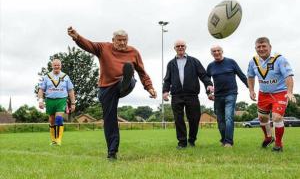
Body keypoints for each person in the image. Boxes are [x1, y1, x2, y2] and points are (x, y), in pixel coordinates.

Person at [67, 26, 157, 160]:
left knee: (130, 76)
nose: (122, 43)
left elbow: (142, 72)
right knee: (110, 120)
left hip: (123, 84)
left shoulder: (133, 52)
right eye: (119, 40)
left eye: (125, 40)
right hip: (106, 88)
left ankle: (126, 80)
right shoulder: (104, 48)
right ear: (113, 40)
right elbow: (89, 45)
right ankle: (112, 152)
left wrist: (149, 87)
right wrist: (77, 37)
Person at [247, 37, 296, 152]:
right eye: (259, 47)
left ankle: (278, 145)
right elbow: (250, 76)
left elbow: (288, 76)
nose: (261, 49)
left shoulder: (279, 59)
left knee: (277, 117)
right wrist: (251, 90)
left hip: (280, 93)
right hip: (263, 94)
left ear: (270, 47)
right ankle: (268, 138)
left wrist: (289, 92)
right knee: (262, 118)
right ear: (255, 48)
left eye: (264, 46)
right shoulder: (253, 61)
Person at [163, 40, 214, 149]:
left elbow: (203, 75)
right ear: (175, 48)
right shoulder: (171, 64)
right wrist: (165, 91)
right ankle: (182, 142)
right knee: (178, 119)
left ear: (185, 47)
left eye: (182, 46)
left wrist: (209, 85)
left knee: (194, 118)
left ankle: (191, 140)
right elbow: (167, 80)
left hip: (192, 95)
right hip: (176, 96)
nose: (180, 47)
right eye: (178, 46)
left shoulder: (194, 61)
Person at [207, 45, 248, 147]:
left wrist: (250, 88)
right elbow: (206, 81)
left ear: (222, 51)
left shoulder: (231, 62)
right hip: (217, 96)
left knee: (228, 117)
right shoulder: (210, 66)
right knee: (220, 119)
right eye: (214, 51)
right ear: (211, 53)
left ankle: (229, 142)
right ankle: (224, 139)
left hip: (231, 94)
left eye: (218, 50)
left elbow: (241, 75)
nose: (216, 52)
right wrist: (208, 93)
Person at [38, 59, 76, 146]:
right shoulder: (46, 77)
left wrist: (73, 103)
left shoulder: (66, 76)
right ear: (52, 66)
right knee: (51, 120)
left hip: (61, 100)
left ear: (61, 66)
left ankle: (58, 140)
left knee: (59, 119)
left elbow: (70, 90)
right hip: (49, 100)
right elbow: (41, 90)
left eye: (58, 65)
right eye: (55, 65)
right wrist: (40, 101)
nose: (56, 67)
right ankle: (53, 140)